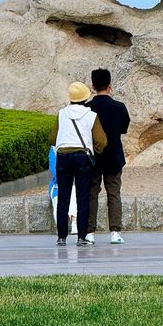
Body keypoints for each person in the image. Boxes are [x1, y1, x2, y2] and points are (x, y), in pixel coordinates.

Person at [51, 81, 107, 247]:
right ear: (85, 98)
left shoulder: (61, 114)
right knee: (83, 197)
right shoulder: (91, 116)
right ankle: (81, 236)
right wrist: (93, 151)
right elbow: (101, 141)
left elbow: (52, 138)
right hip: (83, 157)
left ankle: (61, 237)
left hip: (63, 156)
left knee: (63, 197)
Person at [84, 68, 131, 245]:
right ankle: (115, 232)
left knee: (91, 194)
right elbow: (123, 129)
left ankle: (89, 233)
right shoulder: (119, 107)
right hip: (114, 156)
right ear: (110, 86)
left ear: (93, 86)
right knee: (114, 194)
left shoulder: (87, 108)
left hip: (93, 157)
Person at [48, 146, 78, 235]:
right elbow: (54, 170)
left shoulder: (76, 145)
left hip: (74, 183)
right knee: (58, 202)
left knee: (74, 193)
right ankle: (61, 226)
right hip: (57, 185)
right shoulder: (54, 149)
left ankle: (74, 222)